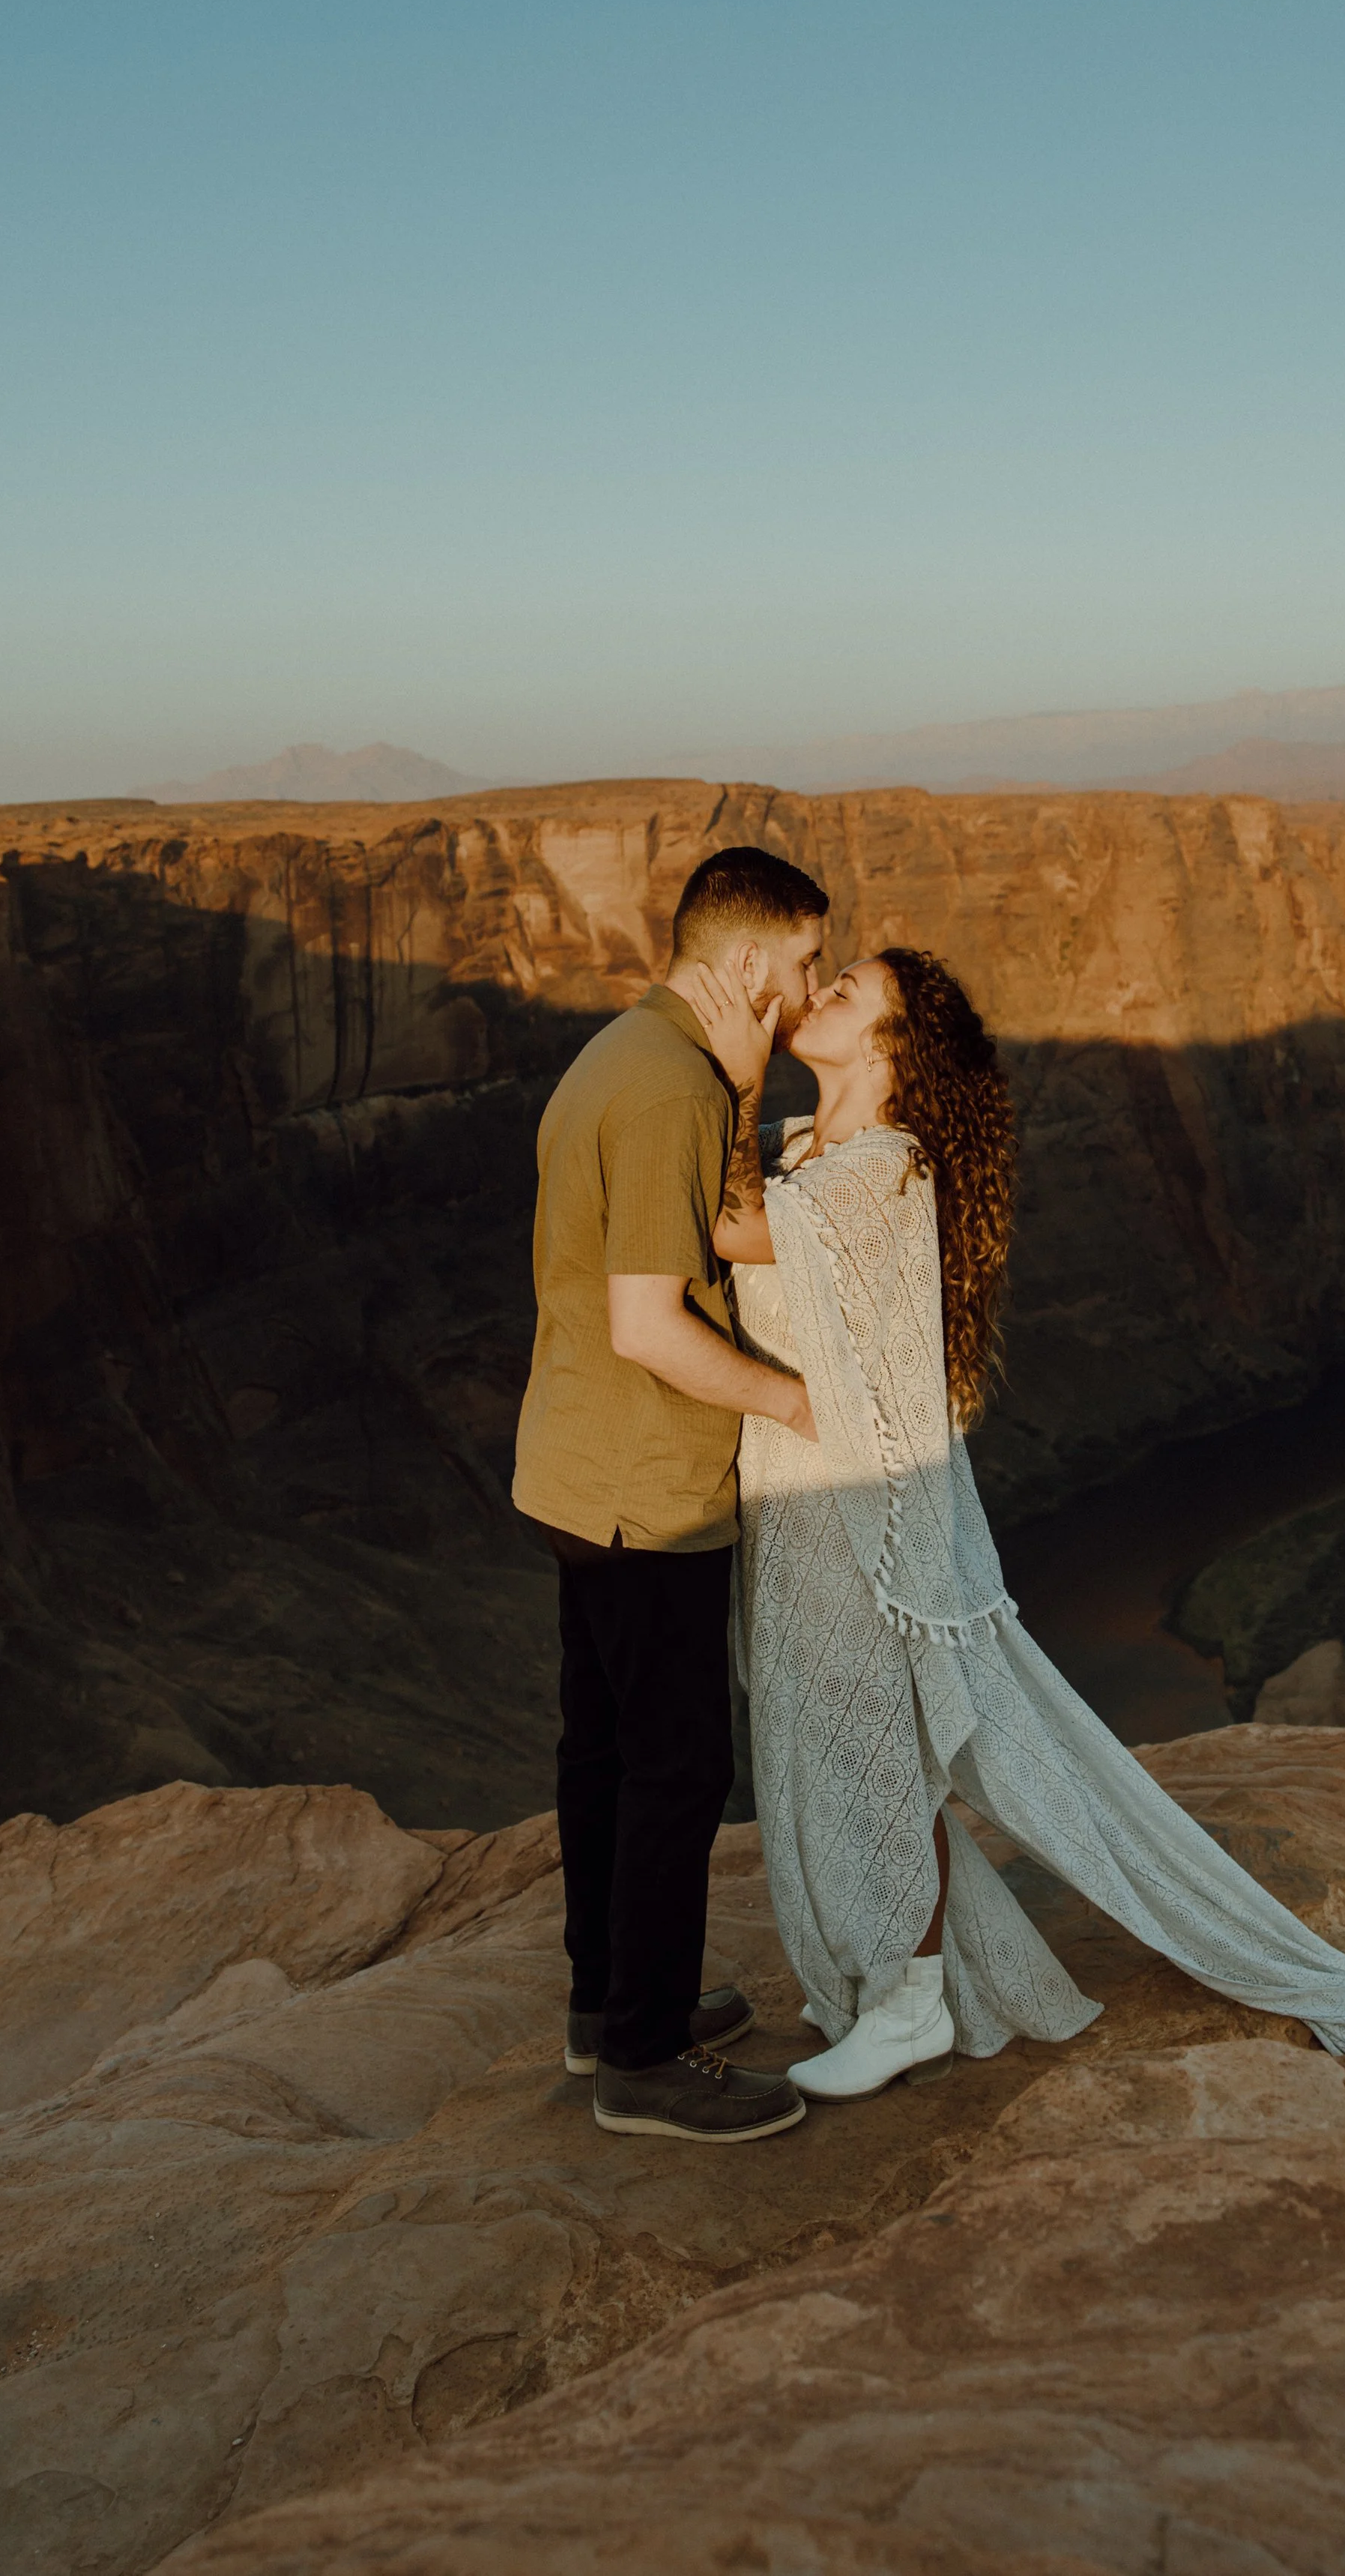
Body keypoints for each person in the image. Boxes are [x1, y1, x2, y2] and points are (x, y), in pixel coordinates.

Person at [695, 946, 1345, 2100]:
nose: (822, 994)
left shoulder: (878, 1174)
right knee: (837, 1755)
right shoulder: (820, 1153)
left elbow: (731, 1228)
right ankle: (888, 1988)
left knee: (878, 1763)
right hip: (803, 1507)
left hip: (856, 1524)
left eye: (848, 991)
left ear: (891, 1051)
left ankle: (906, 2005)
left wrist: (728, 1060)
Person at [513, 843, 830, 2142]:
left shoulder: (635, 1056)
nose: (811, 990)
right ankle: (644, 2061)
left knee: (602, 1753)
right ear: (747, 960)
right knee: (680, 1767)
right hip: (647, 1488)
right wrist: (796, 1400)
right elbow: (651, 1322)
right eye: (805, 962)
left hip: (576, 1473)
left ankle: (609, 2006)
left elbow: (692, 1229)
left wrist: (744, 1087)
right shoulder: (664, 1093)